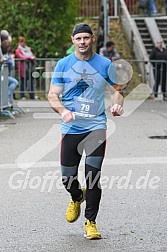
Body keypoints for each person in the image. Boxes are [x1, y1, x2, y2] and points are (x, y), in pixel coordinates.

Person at [48, 23, 124, 240]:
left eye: (86, 38)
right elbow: (53, 95)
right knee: (67, 178)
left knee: (93, 175)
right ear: (73, 40)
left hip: (96, 126)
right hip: (71, 127)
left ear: (93, 39)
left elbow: (117, 91)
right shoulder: (64, 64)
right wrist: (62, 110)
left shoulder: (104, 64)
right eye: (78, 38)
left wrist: (117, 104)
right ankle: (75, 197)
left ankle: (91, 222)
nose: (82, 42)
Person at [1, 37, 18, 106]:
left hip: (4, 76)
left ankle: (5, 99)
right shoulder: (6, 57)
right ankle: (6, 98)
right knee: (14, 82)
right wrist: (12, 58)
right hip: (3, 76)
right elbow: (12, 65)